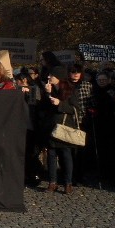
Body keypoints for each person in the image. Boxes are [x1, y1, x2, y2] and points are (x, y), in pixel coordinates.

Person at [43, 66, 83, 195]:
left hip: (64, 126)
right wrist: (47, 94)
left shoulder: (70, 90)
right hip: (51, 126)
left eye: (51, 76)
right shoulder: (49, 88)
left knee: (66, 155)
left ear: (58, 77)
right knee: (51, 155)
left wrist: (60, 103)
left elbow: (75, 109)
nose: (49, 78)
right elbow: (43, 107)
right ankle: (52, 182)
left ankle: (67, 183)